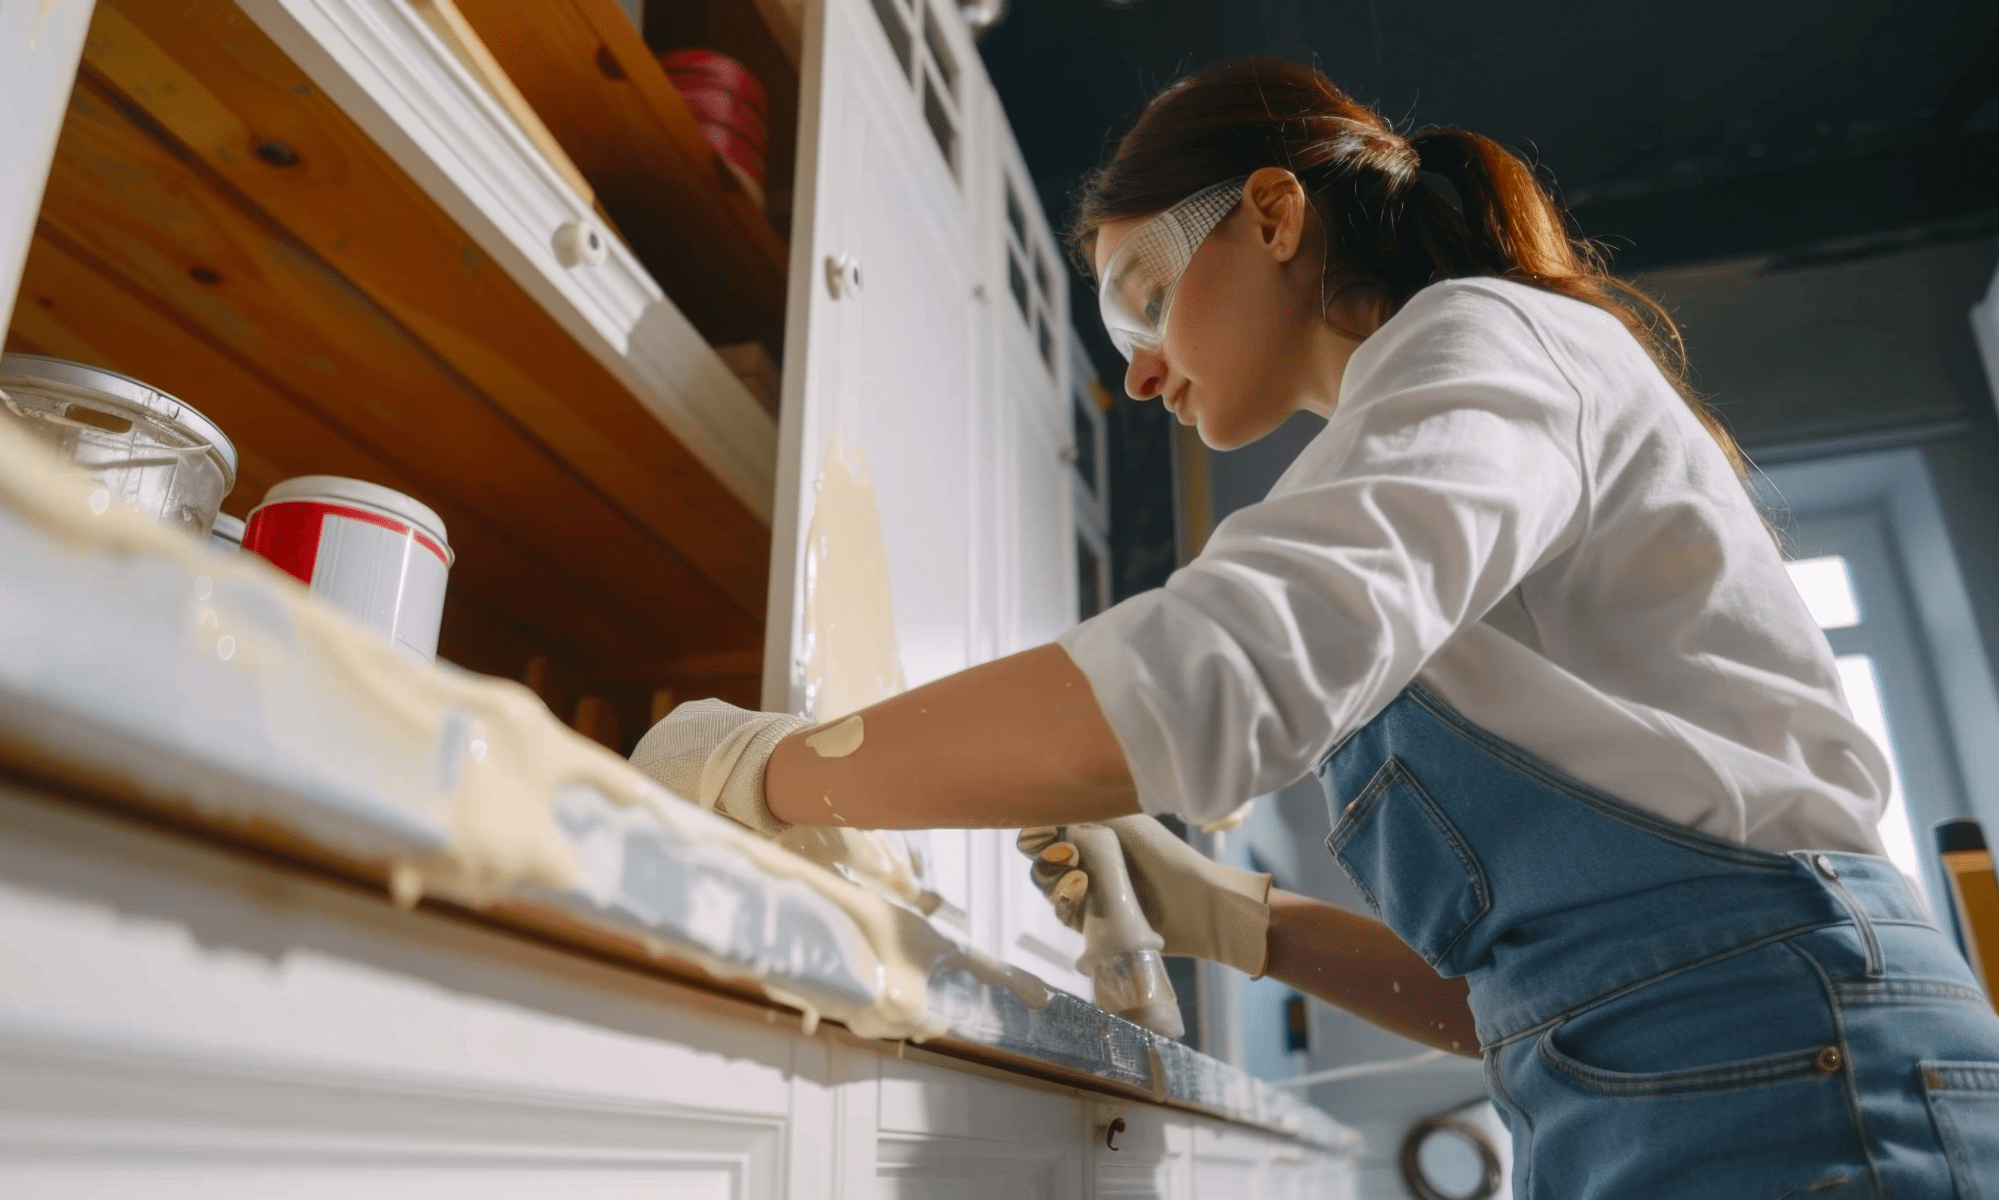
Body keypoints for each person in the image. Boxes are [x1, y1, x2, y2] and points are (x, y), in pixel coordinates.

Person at [633, 57, 1999, 1197]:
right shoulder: (1410, 454)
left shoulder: (1486, 339)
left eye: (1147, 296)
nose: (1146, 367)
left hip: (1796, 1057)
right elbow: (1520, 1001)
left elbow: (1220, 673)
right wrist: (1234, 920)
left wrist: (766, 769)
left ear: (1274, 214)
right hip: (1699, 1063)